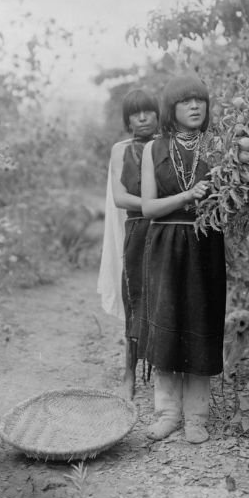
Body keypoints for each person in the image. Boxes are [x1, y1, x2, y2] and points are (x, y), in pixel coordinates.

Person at [140, 73, 226, 444]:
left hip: (205, 242)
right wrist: (187, 196)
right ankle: (168, 413)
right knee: (166, 323)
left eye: (200, 100)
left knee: (201, 323)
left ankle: (196, 417)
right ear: (170, 110)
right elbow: (147, 208)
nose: (195, 106)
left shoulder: (220, 145)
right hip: (164, 241)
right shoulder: (153, 150)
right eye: (186, 101)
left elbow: (231, 201)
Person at [101, 89, 160, 400]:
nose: (141, 118)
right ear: (127, 119)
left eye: (147, 111)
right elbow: (121, 196)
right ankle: (129, 376)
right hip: (138, 228)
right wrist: (155, 205)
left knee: (163, 298)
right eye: (135, 113)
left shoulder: (166, 145)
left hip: (168, 228)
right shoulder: (121, 150)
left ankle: (166, 377)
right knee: (135, 298)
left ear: (158, 114)